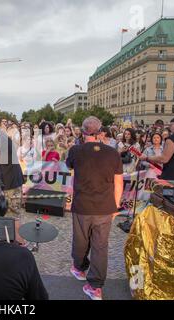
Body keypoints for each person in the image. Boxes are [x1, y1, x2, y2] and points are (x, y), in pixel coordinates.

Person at [66, 116, 123, 300]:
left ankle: (80, 268)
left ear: (82, 132)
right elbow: (118, 183)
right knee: (101, 246)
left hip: (82, 204)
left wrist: (69, 198)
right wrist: (115, 207)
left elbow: (70, 173)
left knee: (81, 240)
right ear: (100, 132)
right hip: (106, 206)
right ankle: (96, 287)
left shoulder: (75, 150)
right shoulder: (113, 153)